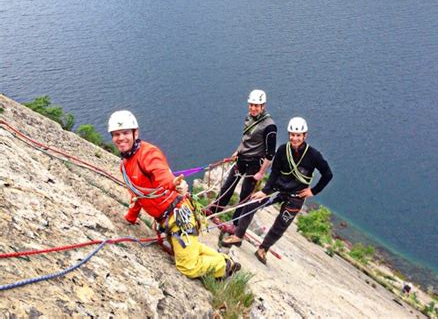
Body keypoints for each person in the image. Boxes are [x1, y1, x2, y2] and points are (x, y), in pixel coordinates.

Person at [108, 110, 240, 279]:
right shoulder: (125, 166)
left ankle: (223, 266)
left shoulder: (148, 153)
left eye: (125, 133)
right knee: (187, 249)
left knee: (187, 267)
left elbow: (162, 174)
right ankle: (222, 259)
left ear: (135, 133)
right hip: (167, 218)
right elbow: (138, 195)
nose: (121, 138)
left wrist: (174, 184)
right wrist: (131, 217)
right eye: (116, 134)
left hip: (178, 216)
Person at [221, 117, 333, 265]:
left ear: (305, 136)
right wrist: (265, 191)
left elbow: (328, 174)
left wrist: (313, 191)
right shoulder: (282, 150)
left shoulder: (313, 155)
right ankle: (238, 236)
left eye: (298, 135)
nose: (295, 138)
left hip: (296, 196)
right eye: (292, 134)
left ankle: (263, 249)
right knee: (251, 204)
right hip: (278, 190)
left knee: (281, 224)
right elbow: (274, 173)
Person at [208, 89, 277, 225]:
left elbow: (270, 153)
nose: (253, 108)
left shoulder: (270, 126)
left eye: (256, 106)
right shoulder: (249, 117)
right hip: (241, 159)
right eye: (251, 105)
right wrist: (237, 151)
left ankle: (236, 223)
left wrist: (261, 172)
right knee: (228, 186)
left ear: (263, 106)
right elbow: (246, 137)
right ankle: (214, 211)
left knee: (245, 194)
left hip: (255, 163)